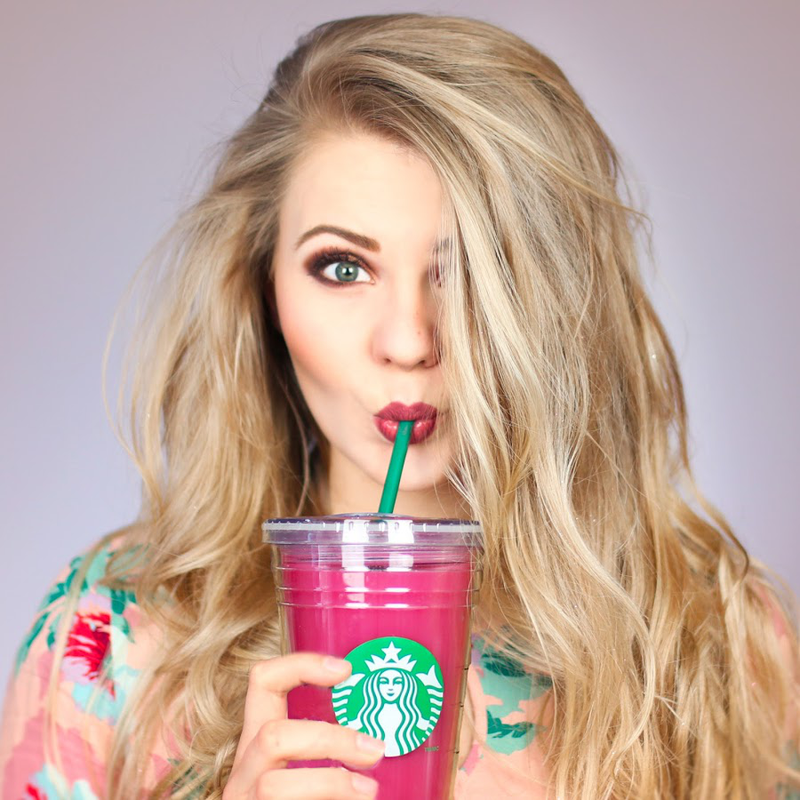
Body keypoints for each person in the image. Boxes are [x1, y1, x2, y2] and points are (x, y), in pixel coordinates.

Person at [1, 12, 798, 799]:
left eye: (473, 271)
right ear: (262, 290)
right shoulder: (116, 633)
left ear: (559, 297)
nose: (411, 340)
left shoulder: (711, 639)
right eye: (343, 268)